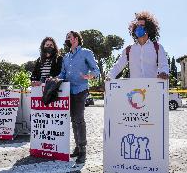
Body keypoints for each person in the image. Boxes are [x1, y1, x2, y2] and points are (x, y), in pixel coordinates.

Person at [57, 31, 100, 164]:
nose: (67, 40)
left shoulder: (86, 53)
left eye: (69, 37)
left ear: (76, 39)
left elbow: (96, 70)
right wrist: (55, 79)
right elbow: (63, 74)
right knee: (73, 120)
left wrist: (90, 76)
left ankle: (83, 150)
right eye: (66, 38)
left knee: (79, 119)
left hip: (80, 89)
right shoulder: (66, 57)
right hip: (68, 90)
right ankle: (77, 147)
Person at [107, 11, 169, 80]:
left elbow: (164, 65)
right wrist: (109, 77)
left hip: (152, 88)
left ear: (148, 28)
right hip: (134, 89)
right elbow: (118, 66)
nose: (139, 28)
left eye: (142, 26)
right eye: (137, 26)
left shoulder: (157, 47)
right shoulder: (129, 49)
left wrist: (164, 72)